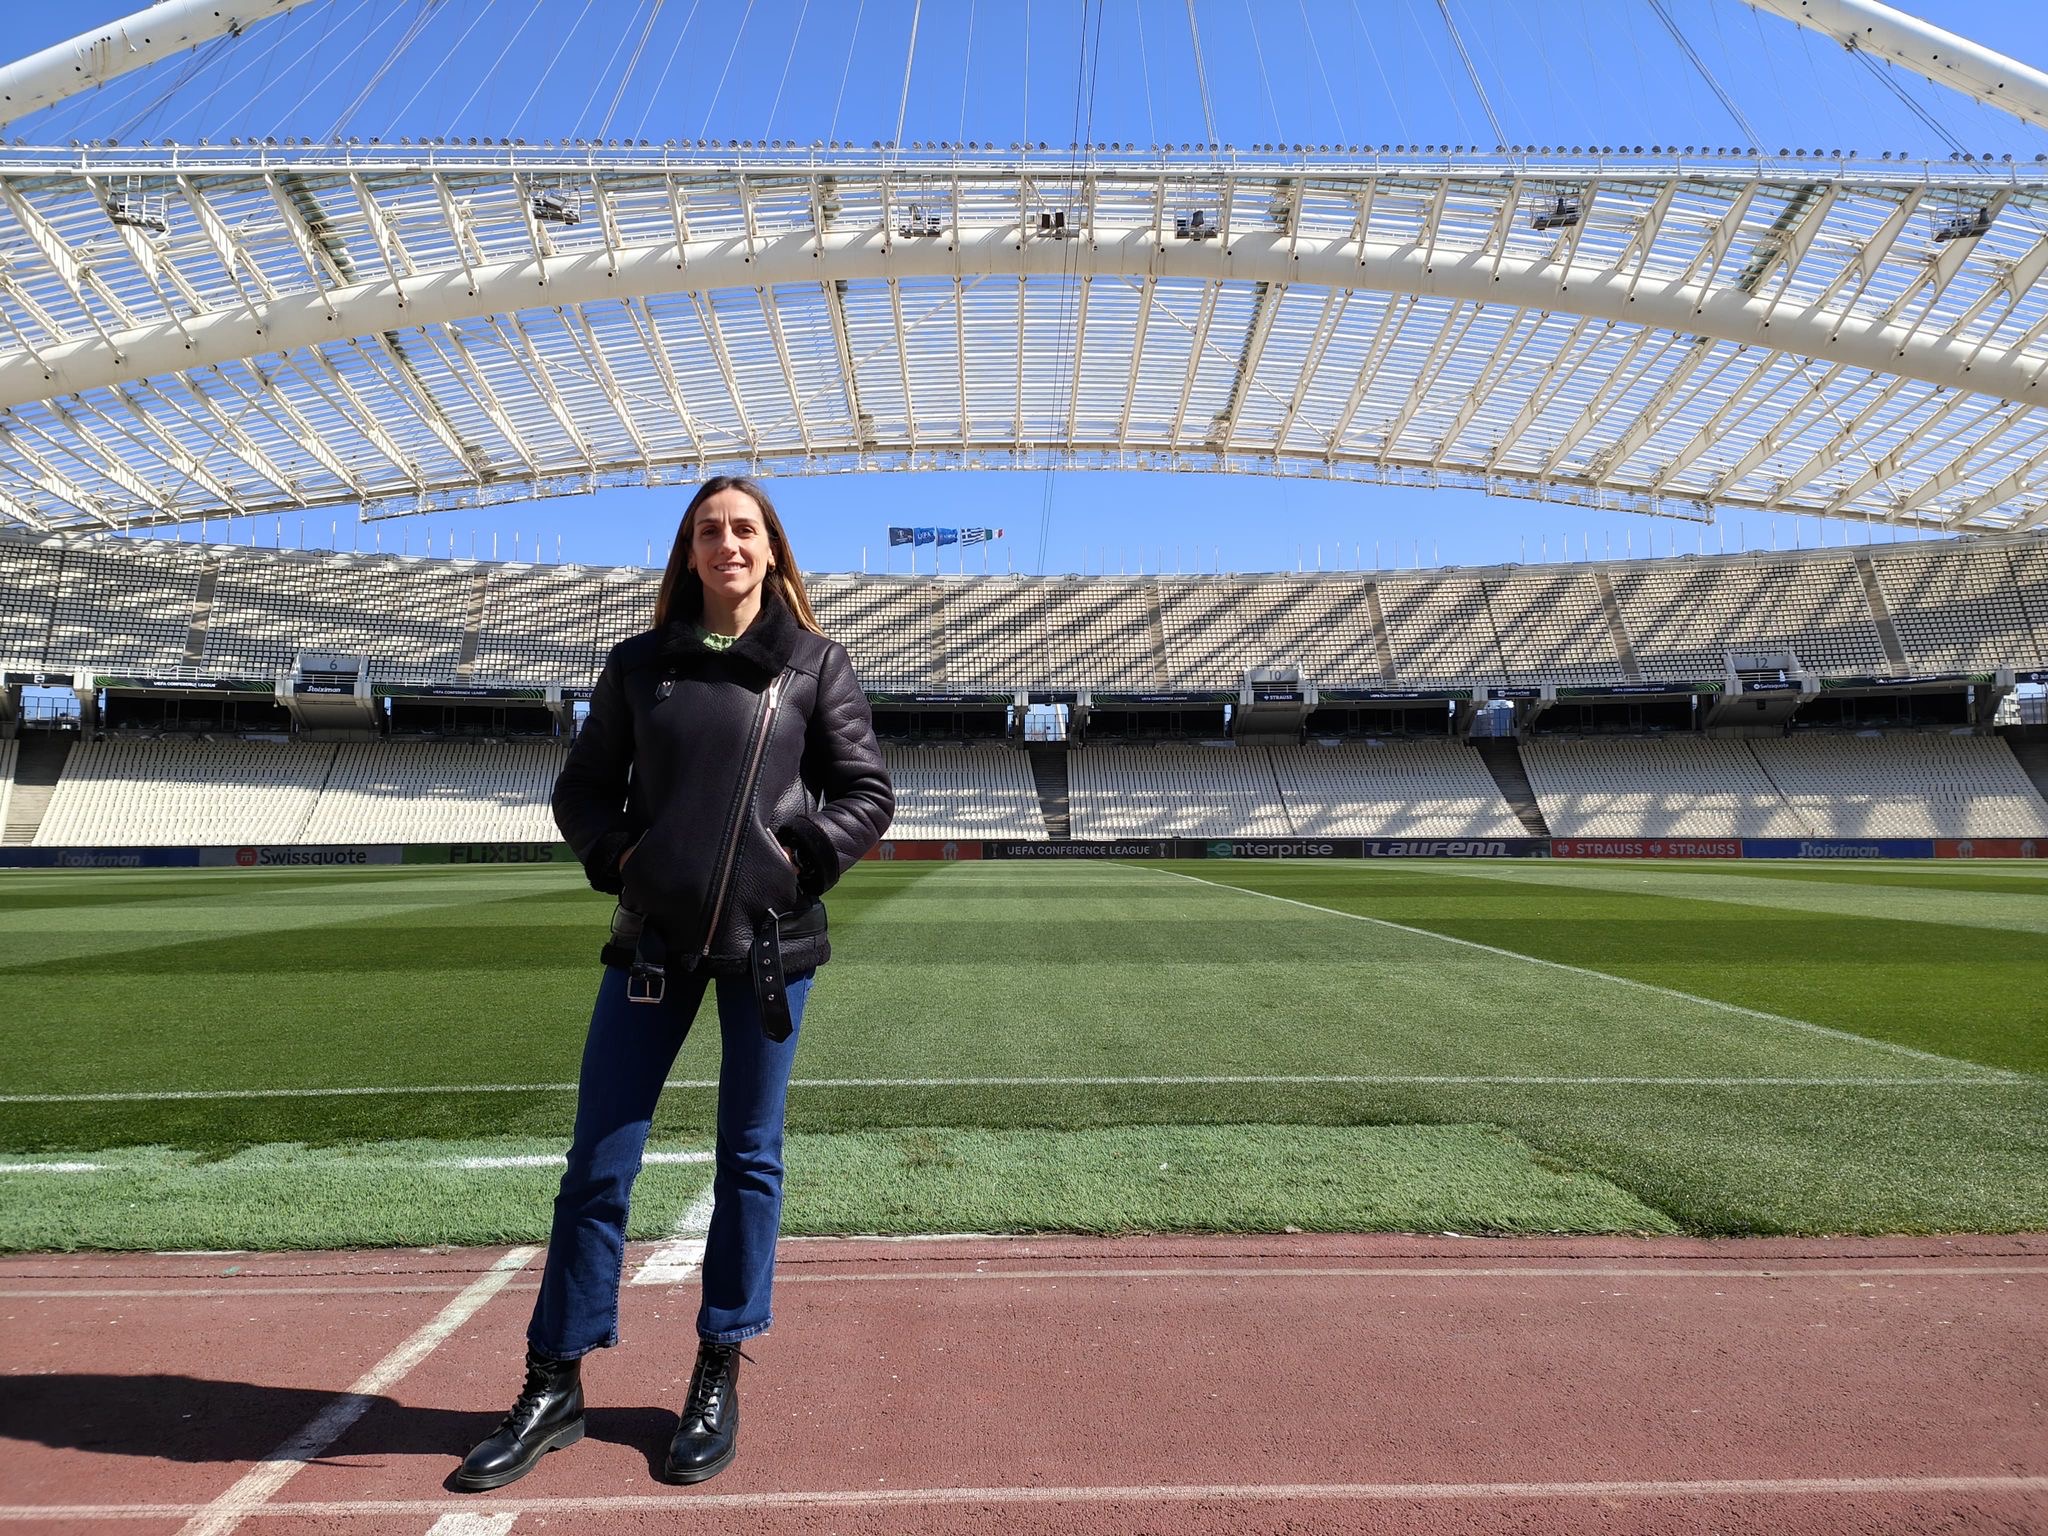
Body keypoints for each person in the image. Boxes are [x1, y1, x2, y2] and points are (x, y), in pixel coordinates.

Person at [456, 476, 893, 1491]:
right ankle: (553, 1378)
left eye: (744, 530)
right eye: (709, 531)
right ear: (687, 553)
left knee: (750, 1160)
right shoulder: (637, 666)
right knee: (597, 1163)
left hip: (769, 948)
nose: (727, 544)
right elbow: (579, 792)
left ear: (772, 552)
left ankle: (716, 1365)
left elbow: (866, 792)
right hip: (651, 946)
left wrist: (802, 858)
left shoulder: (814, 665)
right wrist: (623, 860)